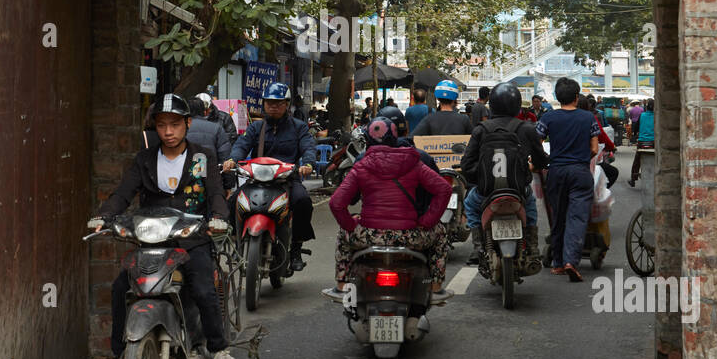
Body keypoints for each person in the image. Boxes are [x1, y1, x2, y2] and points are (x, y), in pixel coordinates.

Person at [90, 93, 237, 359]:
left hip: (190, 240)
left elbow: (216, 193)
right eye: (161, 125)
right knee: (121, 288)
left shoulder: (202, 156)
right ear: (155, 127)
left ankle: (218, 346)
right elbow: (123, 193)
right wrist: (104, 216)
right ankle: (121, 358)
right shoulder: (144, 159)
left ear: (187, 123)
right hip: (152, 243)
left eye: (174, 124)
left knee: (203, 287)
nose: (168, 132)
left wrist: (219, 217)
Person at [328, 116, 453, 294]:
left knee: (343, 235)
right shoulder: (413, 163)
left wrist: (351, 225)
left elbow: (336, 203)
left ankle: (342, 285)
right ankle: (435, 286)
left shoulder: (361, 166)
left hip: (370, 235)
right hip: (409, 235)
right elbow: (444, 189)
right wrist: (427, 221)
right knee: (440, 232)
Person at [225, 81, 317, 270]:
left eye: (278, 103)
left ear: (287, 104)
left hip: (287, 180)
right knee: (233, 200)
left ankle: (296, 248)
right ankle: (235, 241)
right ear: (264, 104)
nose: (273, 107)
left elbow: (308, 147)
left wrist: (308, 164)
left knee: (303, 202)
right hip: (257, 179)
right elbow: (242, 145)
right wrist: (233, 160)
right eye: (269, 103)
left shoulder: (299, 127)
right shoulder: (256, 128)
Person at [461, 81, 548, 271]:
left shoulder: (481, 130)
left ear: (491, 105)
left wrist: (481, 178)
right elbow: (542, 161)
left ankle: (477, 247)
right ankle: (532, 248)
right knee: (531, 207)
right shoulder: (527, 129)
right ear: (517, 105)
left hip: (486, 193)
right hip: (518, 191)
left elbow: (466, 166)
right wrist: (531, 166)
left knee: (469, 203)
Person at [535, 77, 599, 281]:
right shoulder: (588, 118)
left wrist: (544, 160)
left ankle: (558, 263)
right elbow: (595, 149)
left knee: (558, 216)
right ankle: (571, 260)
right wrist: (580, 160)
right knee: (577, 217)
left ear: (557, 97)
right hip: (580, 172)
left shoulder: (548, 118)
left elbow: (537, 144)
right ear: (576, 97)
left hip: (556, 172)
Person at [187, 95, 232, 164]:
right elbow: (224, 155)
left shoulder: (180, 128)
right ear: (204, 112)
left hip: (185, 171)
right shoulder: (217, 128)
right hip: (211, 170)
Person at [629, 99, 655, 184]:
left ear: (646, 107)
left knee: (637, 160)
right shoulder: (657, 116)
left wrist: (635, 133)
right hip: (653, 142)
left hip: (642, 142)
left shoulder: (642, 115)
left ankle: (633, 178)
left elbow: (636, 127)